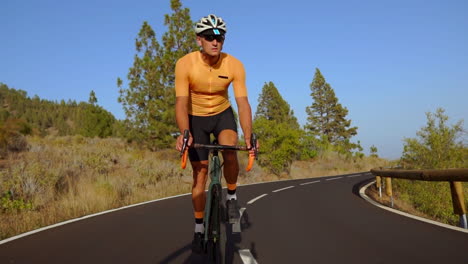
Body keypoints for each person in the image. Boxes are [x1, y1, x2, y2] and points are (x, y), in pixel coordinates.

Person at [174, 14, 256, 253]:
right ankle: (199, 227)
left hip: (222, 114)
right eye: (210, 37)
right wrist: (185, 132)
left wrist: (249, 137)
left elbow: (242, 103)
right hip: (195, 118)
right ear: (199, 39)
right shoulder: (185, 64)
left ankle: (231, 196)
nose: (215, 41)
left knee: (230, 151)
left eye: (220, 37)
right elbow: (180, 103)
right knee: (200, 175)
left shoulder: (234, 64)